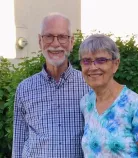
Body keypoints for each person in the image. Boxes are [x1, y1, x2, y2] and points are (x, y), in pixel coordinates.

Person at [12, 12, 90, 158]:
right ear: (40, 41)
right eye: (49, 36)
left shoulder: (90, 86)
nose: (55, 44)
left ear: (72, 42)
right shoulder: (24, 89)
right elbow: (19, 143)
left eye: (62, 37)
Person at [79, 34, 138, 158]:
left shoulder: (137, 106)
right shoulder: (86, 103)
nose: (93, 67)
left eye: (101, 60)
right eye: (86, 61)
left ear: (115, 64)